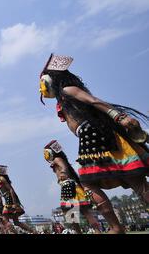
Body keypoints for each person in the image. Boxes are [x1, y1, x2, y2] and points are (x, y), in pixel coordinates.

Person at [39, 54, 149, 233]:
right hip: (90, 139)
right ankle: (107, 228)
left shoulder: (68, 90)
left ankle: (112, 227)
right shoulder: (64, 98)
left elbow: (94, 101)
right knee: (99, 185)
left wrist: (119, 116)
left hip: (96, 136)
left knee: (125, 179)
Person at [43, 140, 101, 234]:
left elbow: (64, 167)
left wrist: (63, 174)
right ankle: (92, 231)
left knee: (79, 212)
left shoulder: (58, 159)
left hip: (70, 186)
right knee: (74, 214)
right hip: (67, 186)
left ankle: (96, 231)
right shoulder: (58, 159)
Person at [0, 165, 35, 234]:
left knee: (5, 219)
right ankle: (33, 231)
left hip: (9, 199)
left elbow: (11, 190)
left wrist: (14, 203)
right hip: (8, 199)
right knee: (16, 222)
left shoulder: (1, 178)